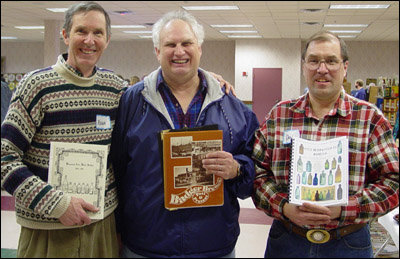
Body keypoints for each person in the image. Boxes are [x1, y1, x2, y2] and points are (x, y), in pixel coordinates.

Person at [111, 10, 259, 258]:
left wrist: (237, 168)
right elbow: (116, 169)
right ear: (157, 51)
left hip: (213, 245)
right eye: (170, 44)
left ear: (199, 48)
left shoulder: (231, 106)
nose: (179, 51)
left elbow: (255, 170)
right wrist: (116, 231)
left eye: (187, 43)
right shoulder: (132, 102)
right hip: (146, 245)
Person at [252, 31, 399, 258]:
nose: (322, 69)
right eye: (314, 61)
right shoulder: (279, 115)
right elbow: (257, 174)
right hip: (287, 240)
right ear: (304, 67)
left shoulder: (370, 118)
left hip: (348, 243)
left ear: (345, 67)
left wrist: (344, 209)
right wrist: (284, 207)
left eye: (331, 60)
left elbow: (393, 183)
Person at [0, 2, 127, 257]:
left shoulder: (115, 87)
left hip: (101, 228)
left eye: (98, 33)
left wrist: (201, 78)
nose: (89, 40)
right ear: (66, 35)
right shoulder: (36, 85)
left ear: (108, 39)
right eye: (81, 31)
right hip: (46, 231)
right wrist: (55, 204)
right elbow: (4, 158)